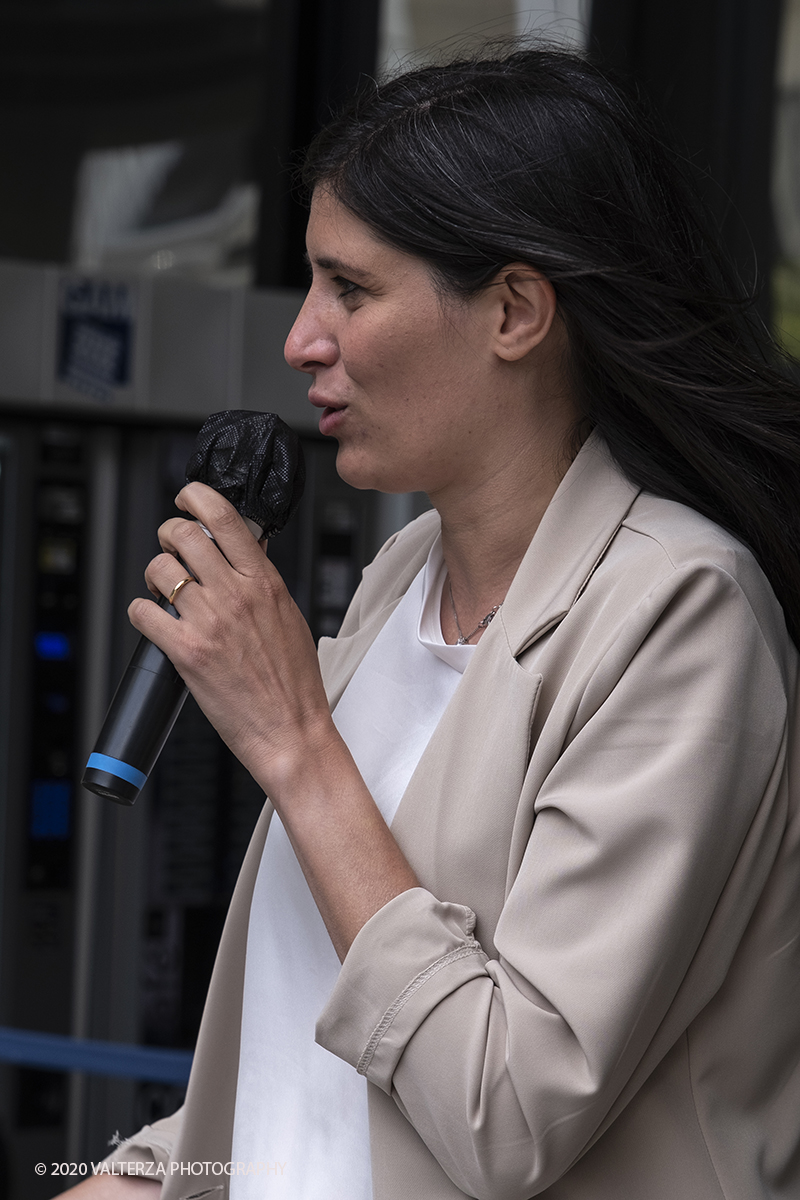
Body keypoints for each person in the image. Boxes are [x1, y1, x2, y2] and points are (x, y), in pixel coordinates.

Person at [62, 44, 800, 1200]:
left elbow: (505, 1116)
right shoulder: (402, 577)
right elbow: (311, 1054)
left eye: (350, 289)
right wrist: (144, 1176)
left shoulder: (679, 613)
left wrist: (298, 746)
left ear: (512, 311)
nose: (305, 336)